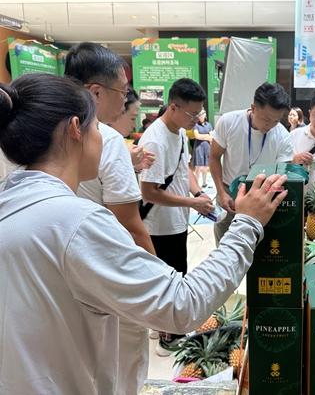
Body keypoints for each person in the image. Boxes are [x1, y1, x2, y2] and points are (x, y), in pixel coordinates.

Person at [0, 73, 287, 395]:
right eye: (98, 128)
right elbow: (182, 305)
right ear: (75, 129)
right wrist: (247, 222)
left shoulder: (12, 201)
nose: (105, 138)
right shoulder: (75, 222)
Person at [65, 42, 155, 394]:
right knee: (119, 372)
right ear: (96, 92)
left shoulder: (35, 133)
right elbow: (131, 227)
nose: (125, 100)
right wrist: (158, 289)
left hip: (56, 280)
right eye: (123, 91)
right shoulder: (107, 139)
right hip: (109, 277)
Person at [139, 79, 216, 354]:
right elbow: (149, 192)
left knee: (171, 277)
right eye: (192, 114)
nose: (197, 119)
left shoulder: (181, 132)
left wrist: (198, 194)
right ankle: (168, 339)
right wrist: (192, 203)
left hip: (177, 221)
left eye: (199, 113)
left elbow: (186, 171)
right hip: (158, 226)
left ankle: (157, 327)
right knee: (170, 282)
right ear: (173, 107)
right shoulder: (155, 139)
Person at [210, 82, 293, 246]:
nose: (270, 125)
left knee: (258, 249)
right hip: (229, 194)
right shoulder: (229, 122)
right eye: (266, 119)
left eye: (276, 120)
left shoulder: (283, 136)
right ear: (253, 108)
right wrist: (221, 192)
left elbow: (283, 174)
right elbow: (214, 157)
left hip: (261, 197)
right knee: (225, 245)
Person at [109, 87, 155, 173]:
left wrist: (134, 166)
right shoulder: (102, 142)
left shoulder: (117, 142)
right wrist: (127, 159)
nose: (134, 126)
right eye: (133, 118)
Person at [192, 111, 213, 188]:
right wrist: (207, 136)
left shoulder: (208, 125)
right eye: (199, 115)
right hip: (199, 147)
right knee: (198, 166)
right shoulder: (196, 125)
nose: (200, 116)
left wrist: (203, 136)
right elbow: (197, 136)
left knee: (205, 166)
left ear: (205, 115)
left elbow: (212, 137)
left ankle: (204, 183)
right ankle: (196, 183)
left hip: (207, 147)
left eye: (202, 114)